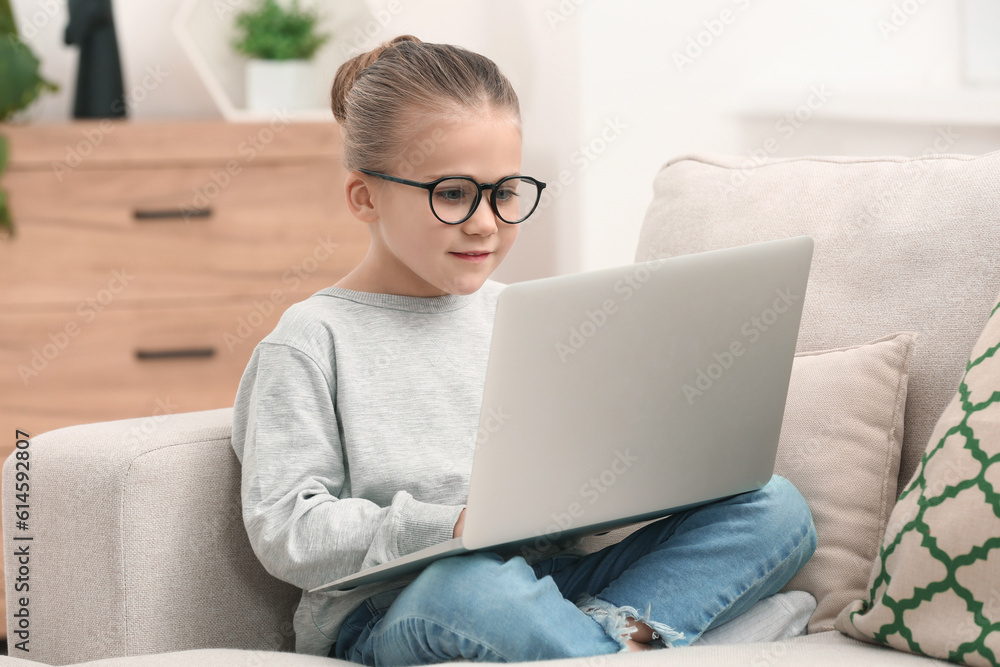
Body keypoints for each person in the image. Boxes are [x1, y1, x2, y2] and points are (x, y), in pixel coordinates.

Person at [230, 34, 817, 665]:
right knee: (475, 588)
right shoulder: (311, 340)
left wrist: (618, 482)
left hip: (551, 586)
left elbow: (568, 485)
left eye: (504, 192)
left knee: (774, 507)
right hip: (401, 607)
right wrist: (450, 525)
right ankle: (638, 642)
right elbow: (287, 528)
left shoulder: (524, 316)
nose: (485, 222)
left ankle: (602, 643)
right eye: (452, 193)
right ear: (365, 196)